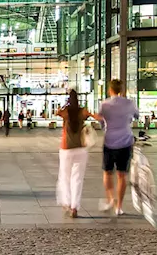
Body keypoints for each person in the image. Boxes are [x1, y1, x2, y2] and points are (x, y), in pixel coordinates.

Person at [96, 79, 138, 217]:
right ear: (122, 89)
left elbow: (101, 120)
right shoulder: (130, 103)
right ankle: (119, 206)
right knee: (122, 175)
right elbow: (136, 116)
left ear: (110, 89)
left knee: (107, 172)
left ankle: (110, 198)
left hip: (109, 141)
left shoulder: (105, 104)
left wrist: (105, 126)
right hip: (126, 141)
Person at [55, 89, 91, 218]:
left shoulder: (66, 112)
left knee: (65, 177)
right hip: (80, 148)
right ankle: (75, 207)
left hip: (66, 149)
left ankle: (67, 202)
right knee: (77, 179)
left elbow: (57, 112)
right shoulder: (82, 111)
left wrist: (66, 104)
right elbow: (90, 114)